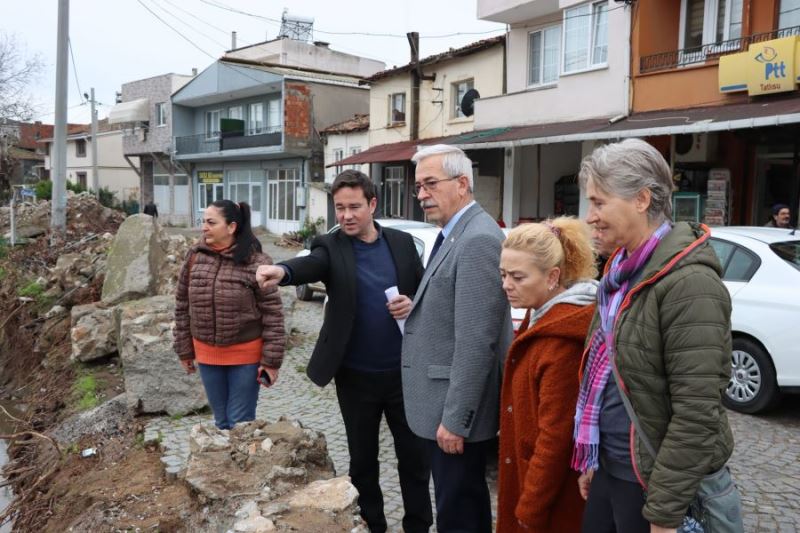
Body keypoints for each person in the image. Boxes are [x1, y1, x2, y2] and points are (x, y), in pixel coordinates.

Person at [574, 138, 737, 533]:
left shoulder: (690, 283)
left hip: (651, 487)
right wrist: (595, 458)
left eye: (599, 202)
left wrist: (664, 514)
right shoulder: (619, 275)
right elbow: (612, 379)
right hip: (615, 468)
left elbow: (696, 415)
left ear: (642, 200)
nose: (589, 216)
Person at [255, 170, 432, 533]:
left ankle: (418, 526)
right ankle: (373, 525)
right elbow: (311, 265)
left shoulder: (401, 243)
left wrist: (413, 303)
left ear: (372, 205)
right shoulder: (331, 246)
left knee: (414, 460)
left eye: (354, 207)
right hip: (355, 376)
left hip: (404, 374)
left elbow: (425, 291)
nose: (346, 215)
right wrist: (282, 271)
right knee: (363, 462)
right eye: (339, 208)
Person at [401, 144, 513, 533]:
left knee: (458, 513)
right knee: (460, 506)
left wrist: (456, 419)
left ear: (462, 184)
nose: (421, 195)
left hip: (454, 415)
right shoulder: (454, 233)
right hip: (440, 406)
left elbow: (477, 340)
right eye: (418, 187)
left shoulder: (477, 239)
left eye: (430, 184)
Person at [496, 218, 598, 533]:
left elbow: (555, 439)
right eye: (503, 274)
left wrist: (529, 509)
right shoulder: (540, 313)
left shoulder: (560, 340)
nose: (506, 285)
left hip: (550, 504)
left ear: (553, 276)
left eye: (517, 277)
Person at [173, 200, 285, 430]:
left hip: (246, 358)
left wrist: (271, 362)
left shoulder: (257, 262)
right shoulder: (195, 257)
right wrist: (184, 349)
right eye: (203, 221)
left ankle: (241, 466)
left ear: (231, 227)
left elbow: (273, 314)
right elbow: (182, 304)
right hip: (206, 356)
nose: (204, 227)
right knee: (221, 422)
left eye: (211, 222)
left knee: (240, 425)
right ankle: (223, 466)